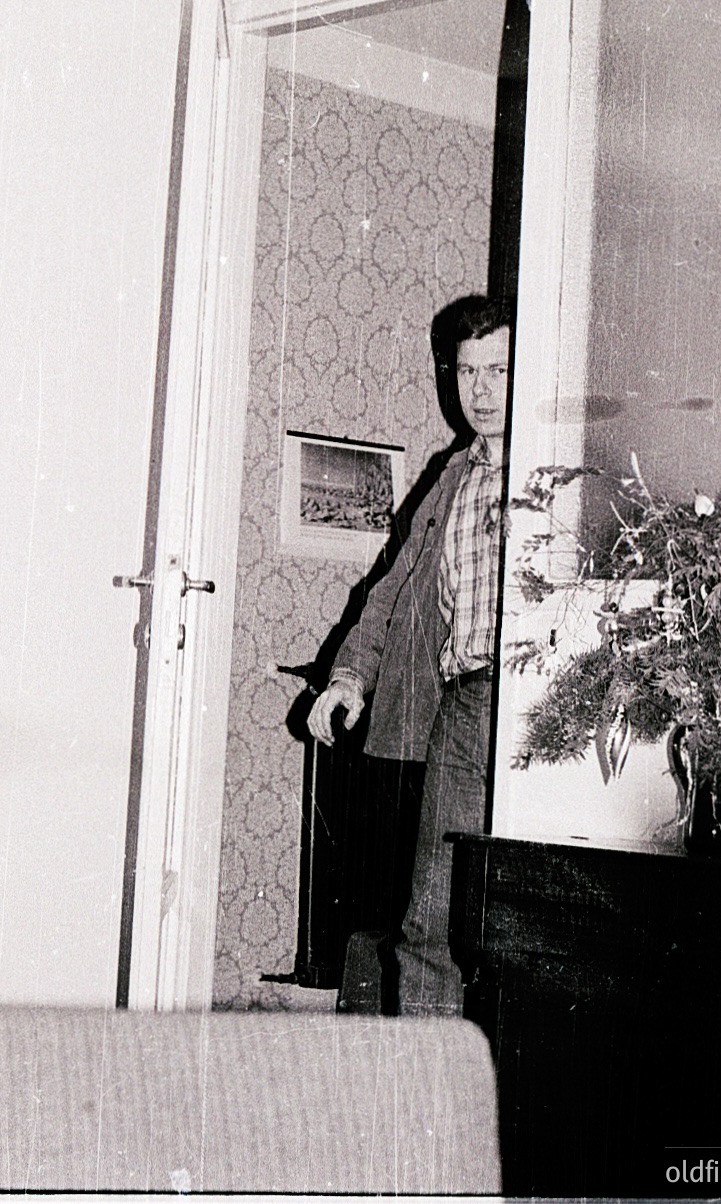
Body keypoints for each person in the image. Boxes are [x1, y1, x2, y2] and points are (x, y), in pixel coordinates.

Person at [307, 295, 517, 1016]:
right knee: (432, 923)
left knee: (530, 927)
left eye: (498, 370)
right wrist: (349, 678)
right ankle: (434, 1106)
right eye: (467, 373)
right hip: (466, 709)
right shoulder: (453, 475)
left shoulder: (564, 473)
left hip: (541, 713)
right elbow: (394, 589)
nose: (481, 390)